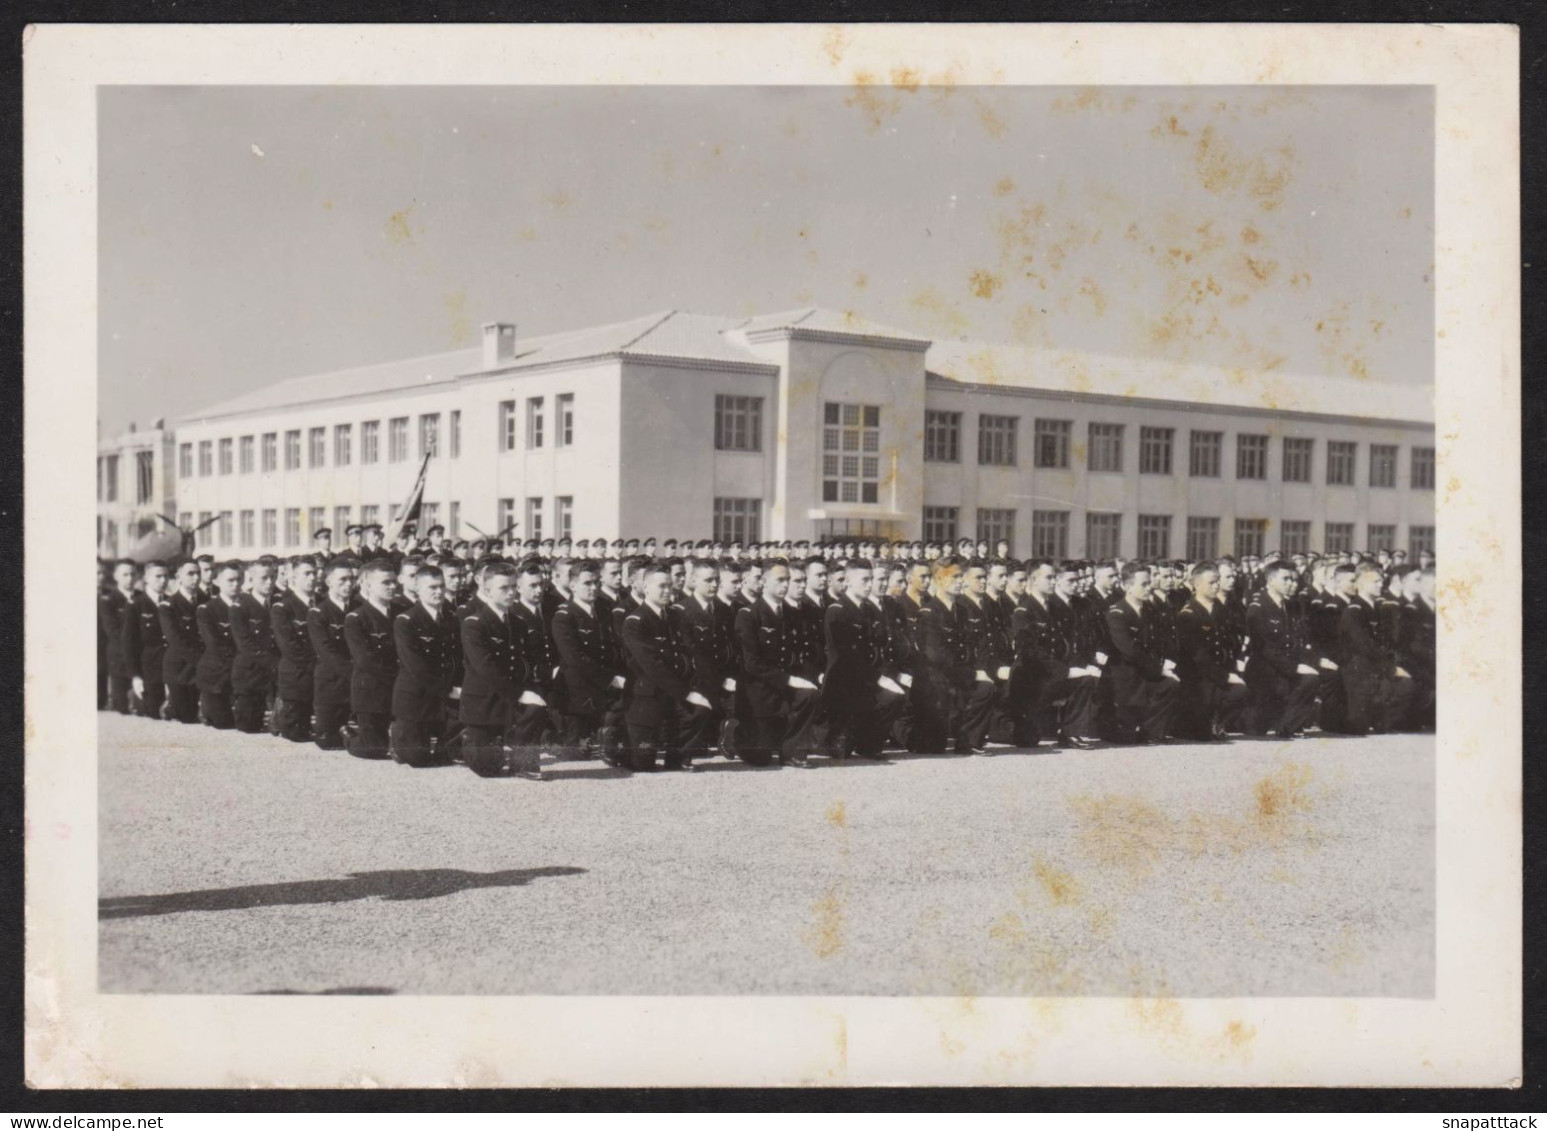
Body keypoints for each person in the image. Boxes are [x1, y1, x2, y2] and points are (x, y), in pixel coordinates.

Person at [460, 561, 550, 779]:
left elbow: (524, 664)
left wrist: (531, 691)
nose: (511, 592)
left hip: (509, 694)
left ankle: (523, 764)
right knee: (487, 769)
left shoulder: (517, 623)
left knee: (536, 706)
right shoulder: (475, 623)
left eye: (512, 587)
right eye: (503, 588)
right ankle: (466, 738)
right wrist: (519, 694)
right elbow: (485, 668)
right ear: (487, 590)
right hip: (485, 701)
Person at [622, 564, 705, 772]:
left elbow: (687, 654)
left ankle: (677, 758)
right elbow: (652, 666)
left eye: (669, 585)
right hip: (647, 697)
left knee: (700, 706)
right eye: (661, 586)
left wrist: (692, 687)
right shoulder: (635, 621)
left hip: (673, 692)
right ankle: (616, 740)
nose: (667, 590)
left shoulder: (676, 617)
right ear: (646, 587)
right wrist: (685, 692)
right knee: (643, 764)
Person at [736, 562, 820, 768]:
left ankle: (792, 752)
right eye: (780, 580)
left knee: (809, 694)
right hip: (760, 691)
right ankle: (732, 732)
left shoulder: (792, 614)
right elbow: (752, 664)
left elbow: (798, 654)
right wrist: (790, 680)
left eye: (787, 580)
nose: (785, 585)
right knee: (760, 759)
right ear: (764, 582)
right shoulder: (749, 615)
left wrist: (808, 679)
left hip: (783, 687)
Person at [822, 560, 905, 760]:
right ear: (848, 581)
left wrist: (885, 675)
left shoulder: (867, 610)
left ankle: (869, 743)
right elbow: (846, 657)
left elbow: (876, 648)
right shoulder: (837, 610)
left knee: (895, 695)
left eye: (871, 580)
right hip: (843, 683)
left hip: (865, 679)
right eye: (864, 580)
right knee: (841, 753)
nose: (870, 585)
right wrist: (877, 678)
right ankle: (839, 736)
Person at [551, 560, 623, 763]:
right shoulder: (564, 616)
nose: (593, 588)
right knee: (576, 755)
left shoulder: (602, 610)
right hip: (577, 692)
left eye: (596, 583)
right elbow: (575, 659)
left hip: (602, 688)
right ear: (573, 585)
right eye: (587, 583)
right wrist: (610, 679)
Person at [391, 563, 461, 767]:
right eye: (432, 587)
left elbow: (457, 658)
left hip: (445, 698)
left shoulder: (452, 618)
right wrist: (447, 689)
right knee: (418, 759)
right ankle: (396, 737)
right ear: (418, 588)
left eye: (441, 586)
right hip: (416, 698)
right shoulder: (406, 621)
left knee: (447, 756)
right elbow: (416, 666)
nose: (438, 591)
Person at [1103, 563, 1180, 744]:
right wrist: (1159, 669)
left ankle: (1153, 732)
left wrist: (1166, 662)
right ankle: (1134, 727)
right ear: (1128, 587)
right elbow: (1130, 651)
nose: (1149, 587)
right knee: (1125, 737)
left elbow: (1160, 641)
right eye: (1144, 584)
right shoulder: (1117, 613)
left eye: (1149, 583)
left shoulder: (1150, 611)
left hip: (1145, 672)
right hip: (1125, 677)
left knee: (1170, 685)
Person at [1243, 561, 1322, 738]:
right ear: (1270, 580)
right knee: (1255, 728)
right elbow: (1265, 650)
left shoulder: (1292, 607)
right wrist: (1294, 668)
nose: (1292, 584)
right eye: (1286, 579)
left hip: (1284, 669)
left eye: (1294, 580)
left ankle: (1287, 727)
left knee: (1311, 678)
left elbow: (1299, 641)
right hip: (1264, 672)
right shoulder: (1257, 609)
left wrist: (1309, 662)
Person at [1173, 563, 1250, 741]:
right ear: (1197, 585)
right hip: (1197, 677)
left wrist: (1233, 666)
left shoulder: (1221, 610)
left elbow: (1231, 642)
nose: (1216, 586)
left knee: (1241, 691)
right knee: (1198, 733)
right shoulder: (1188, 614)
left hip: (1217, 670)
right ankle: (1200, 724)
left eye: (1217, 582)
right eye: (1211, 582)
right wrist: (1224, 676)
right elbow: (1198, 656)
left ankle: (1218, 723)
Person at [1339, 562, 1417, 734]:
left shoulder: (1379, 609)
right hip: (1359, 672)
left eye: (1381, 580)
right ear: (1361, 583)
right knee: (1359, 726)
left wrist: (1393, 665)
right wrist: (1390, 668)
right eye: (1375, 581)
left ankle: (1383, 720)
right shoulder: (1354, 610)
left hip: (1375, 668)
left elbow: (1387, 643)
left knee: (1406, 684)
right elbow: (1364, 647)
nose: (1381, 584)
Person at [344, 562, 400, 759]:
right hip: (373, 691)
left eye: (394, 582)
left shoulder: (403, 613)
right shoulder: (357, 618)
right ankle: (347, 736)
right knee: (374, 750)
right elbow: (366, 661)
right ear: (367, 586)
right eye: (386, 582)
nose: (393, 587)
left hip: (403, 689)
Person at [308, 558, 357, 750]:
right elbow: (326, 652)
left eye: (351, 579)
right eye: (343, 580)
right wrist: (354, 674)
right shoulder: (318, 612)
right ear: (328, 582)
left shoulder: (358, 609)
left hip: (356, 680)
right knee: (327, 741)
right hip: (331, 681)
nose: (348, 584)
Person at [230, 559, 281, 734]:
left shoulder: (279, 603)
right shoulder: (240, 607)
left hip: (276, 674)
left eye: (273, 577)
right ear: (250, 580)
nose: (270, 582)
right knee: (249, 727)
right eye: (264, 578)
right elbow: (246, 646)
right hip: (250, 675)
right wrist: (276, 663)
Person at [272, 556, 317, 743]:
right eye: (307, 573)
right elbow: (290, 646)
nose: (313, 578)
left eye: (314, 573)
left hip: (320, 675)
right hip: (297, 674)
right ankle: (278, 717)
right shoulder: (283, 608)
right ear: (293, 578)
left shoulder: (321, 604)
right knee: (296, 734)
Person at [194, 561, 242, 730]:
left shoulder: (248, 607)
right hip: (216, 677)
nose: (236, 584)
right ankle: (204, 706)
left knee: (247, 724)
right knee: (224, 725)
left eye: (239, 579)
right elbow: (215, 644)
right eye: (230, 580)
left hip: (242, 676)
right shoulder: (207, 610)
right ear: (217, 581)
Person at [159, 558, 204, 724]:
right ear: (179, 576)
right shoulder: (169, 606)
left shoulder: (207, 602)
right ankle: (170, 705)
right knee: (187, 718)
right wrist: (203, 662)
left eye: (198, 573)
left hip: (204, 669)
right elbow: (176, 641)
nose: (196, 578)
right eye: (190, 574)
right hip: (180, 671)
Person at [101, 559, 139, 715]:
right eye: (125, 574)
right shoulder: (108, 601)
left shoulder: (142, 598)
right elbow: (112, 630)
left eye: (132, 574)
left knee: (142, 707)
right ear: (116, 576)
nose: (129, 578)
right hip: (119, 658)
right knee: (121, 709)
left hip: (140, 657)